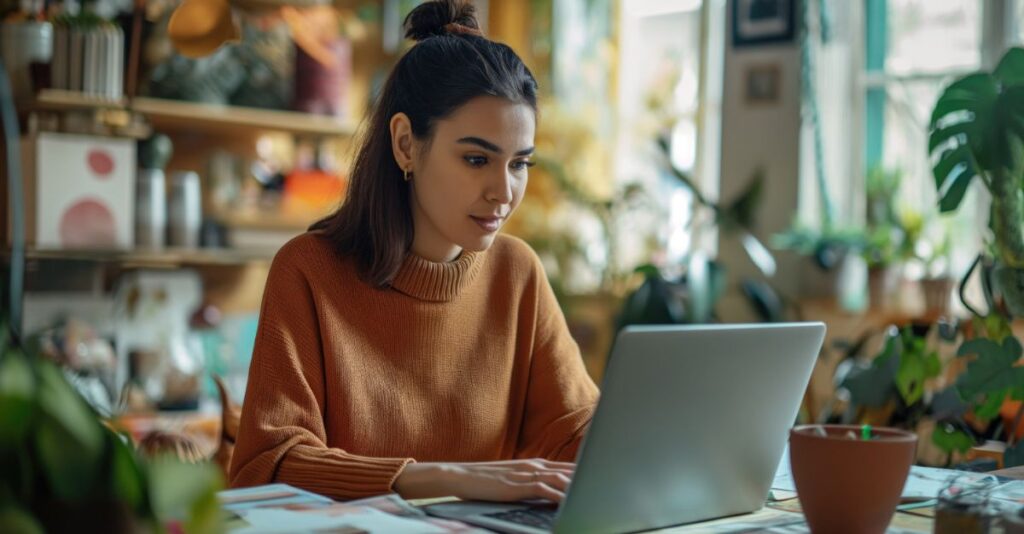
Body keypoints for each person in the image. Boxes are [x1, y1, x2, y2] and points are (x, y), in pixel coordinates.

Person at [229, 0, 599, 504]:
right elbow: (265, 467)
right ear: (406, 143)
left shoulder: (517, 273)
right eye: (477, 159)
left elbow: (578, 431)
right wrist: (440, 478)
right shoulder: (308, 271)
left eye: (519, 164)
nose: (504, 192)